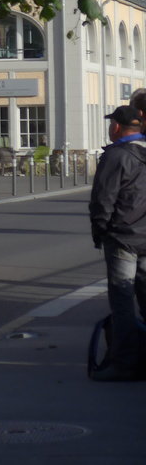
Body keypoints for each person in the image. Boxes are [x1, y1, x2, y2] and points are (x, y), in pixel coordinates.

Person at [88, 104, 146, 381]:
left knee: (122, 302)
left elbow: (103, 199)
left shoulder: (116, 156)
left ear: (116, 127)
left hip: (123, 238)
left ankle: (124, 363)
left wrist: (100, 230)